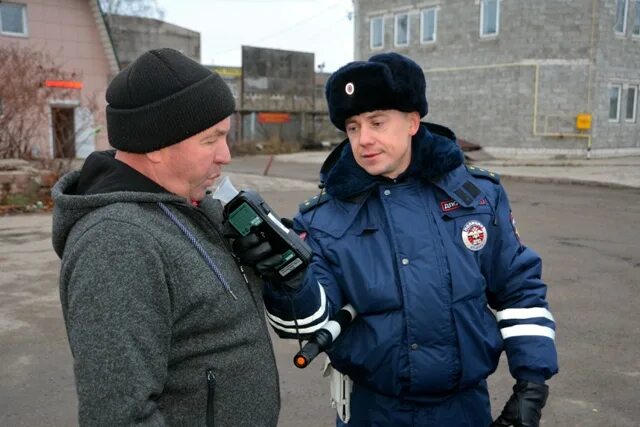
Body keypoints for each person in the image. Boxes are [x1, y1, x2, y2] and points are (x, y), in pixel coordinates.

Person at [231, 53, 558, 426]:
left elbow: (519, 291)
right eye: (353, 127)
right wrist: (287, 278)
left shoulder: (478, 197)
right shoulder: (322, 217)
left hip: (464, 410)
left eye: (377, 122)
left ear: (413, 121)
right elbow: (304, 326)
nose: (364, 139)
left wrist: (532, 384)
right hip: (373, 413)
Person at [51, 48, 280, 426]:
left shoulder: (192, 206)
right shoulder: (117, 243)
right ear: (156, 145)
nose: (226, 154)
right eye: (211, 139)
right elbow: (120, 415)